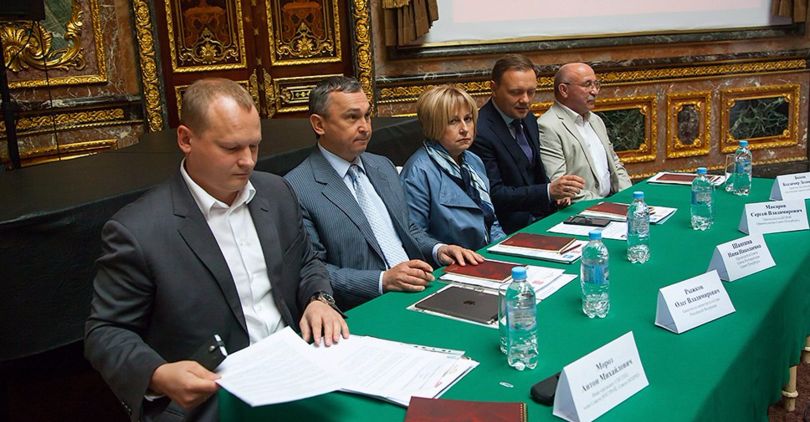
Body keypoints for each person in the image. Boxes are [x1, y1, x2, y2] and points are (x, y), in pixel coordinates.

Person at [84, 78, 348, 422]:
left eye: (254, 146)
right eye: (231, 148)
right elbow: (105, 331)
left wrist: (318, 298)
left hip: (296, 373)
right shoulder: (138, 230)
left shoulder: (277, 193)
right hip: (213, 400)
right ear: (186, 140)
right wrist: (158, 374)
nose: (248, 161)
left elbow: (306, 262)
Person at [285, 76, 483, 310]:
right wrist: (382, 280)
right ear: (319, 124)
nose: (365, 127)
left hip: (420, 289)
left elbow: (408, 229)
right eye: (352, 117)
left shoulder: (382, 166)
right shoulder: (296, 188)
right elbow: (313, 271)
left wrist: (438, 249)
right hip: (366, 307)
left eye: (367, 116)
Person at [470, 54, 585, 234]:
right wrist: (548, 191)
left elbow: (534, 172)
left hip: (545, 214)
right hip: (510, 228)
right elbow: (495, 194)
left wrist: (558, 193)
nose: (525, 100)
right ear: (494, 88)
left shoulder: (528, 118)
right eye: (516, 92)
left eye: (531, 92)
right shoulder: (480, 131)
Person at [400, 85, 507, 250]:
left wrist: (502, 248)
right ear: (433, 125)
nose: (464, 129)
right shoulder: (418, 172)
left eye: (468, 119)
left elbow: (490, 220)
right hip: (451, 260)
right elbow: (414, 235)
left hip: (485, 253)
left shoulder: (474, 160)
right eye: (453, 121)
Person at [538, 63, 632, 201]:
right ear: (564, 90)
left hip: (613, 201)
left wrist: (628, 196)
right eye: (587, 85)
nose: (595, 92)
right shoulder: (548, 126)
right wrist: (606, 204)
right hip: (583, 208)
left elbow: (615, 165)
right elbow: (562, 186)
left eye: (596, 84)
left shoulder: (596, 120)